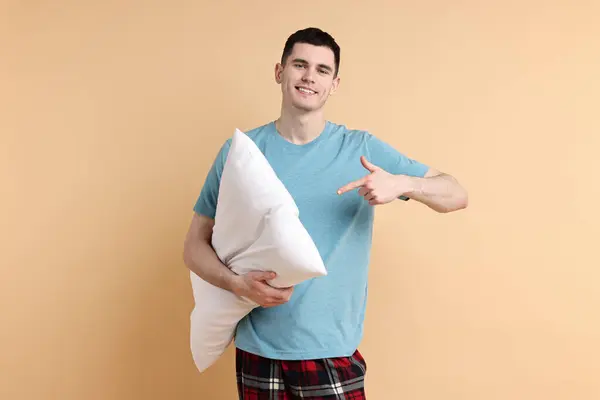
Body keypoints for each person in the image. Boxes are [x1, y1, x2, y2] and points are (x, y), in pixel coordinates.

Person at [183, 27, 468, 399]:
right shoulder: (242, 153)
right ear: (279, 72)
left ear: (334, 84)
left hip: (331, 351)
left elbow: (456, 193)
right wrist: (237, 285)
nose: (309, 77)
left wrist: (404, 184)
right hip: (256, 351)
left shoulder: (360, 149)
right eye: (299, 65)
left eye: (321, 70)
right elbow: (193, 245)